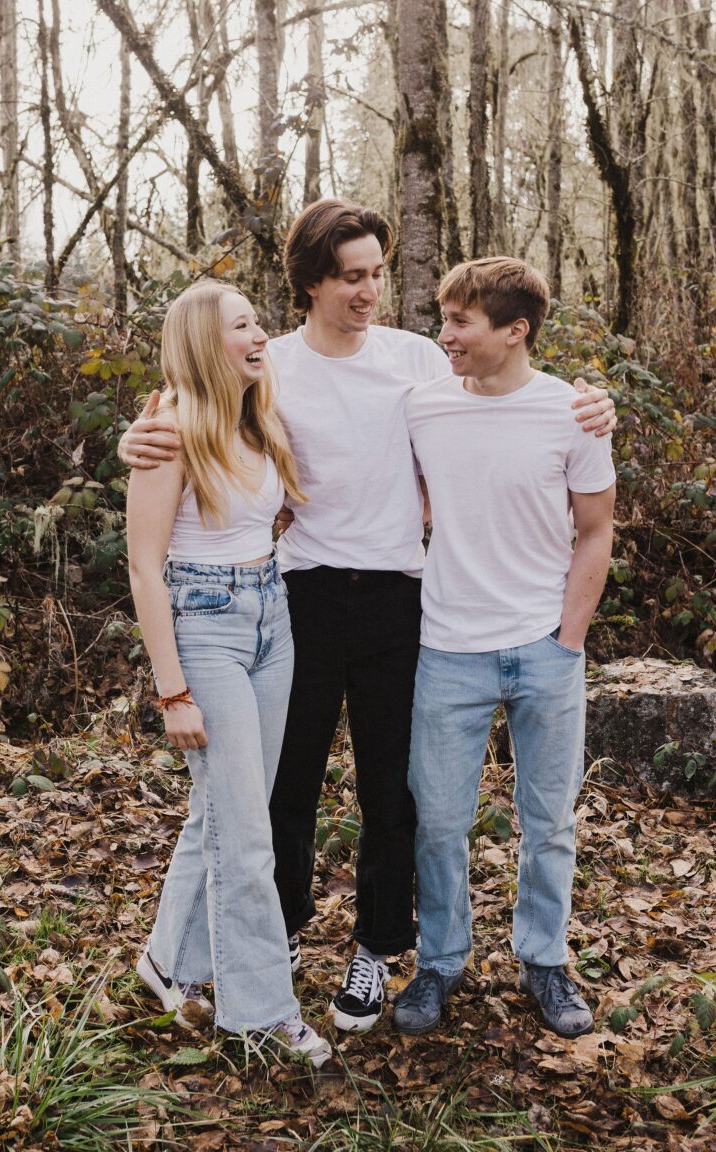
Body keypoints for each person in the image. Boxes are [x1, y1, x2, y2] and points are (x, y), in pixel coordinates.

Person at [119, 199, 617, 1035]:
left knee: (396, 792)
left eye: (378, 273)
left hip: (403, 597)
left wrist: (591, 403)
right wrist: (138, 436)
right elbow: (194, 409)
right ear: (311, 283)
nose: (371, 291)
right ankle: (273, 936)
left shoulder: (419, 358)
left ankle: (376, 949)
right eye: (352, 277)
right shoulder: (267, 362)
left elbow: (504, 393)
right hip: (298, 594)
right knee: (288, 787)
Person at [393, 257, 616, 1040]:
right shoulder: (422, 405)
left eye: (460, 322)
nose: (443, 335)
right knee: (440, 822)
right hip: (447, 645)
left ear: (515, 332)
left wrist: (569, 638)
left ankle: (544, 959)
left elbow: (596, 530)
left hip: (544, 649)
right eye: (444, 318)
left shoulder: (573, 414)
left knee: (548, 821)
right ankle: (441, 962)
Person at [126, 280, 331, 1066]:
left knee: (225, 809)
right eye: (241, 325)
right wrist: (172, 690)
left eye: (257, 321)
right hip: (203, 628)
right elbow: (146, 569)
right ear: (204, 343)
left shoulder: (255, 411)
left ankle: (167, 961)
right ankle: (261, 1016)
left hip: (269, 616)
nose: (259, 334)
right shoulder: (170, 428)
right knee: (248, 835)